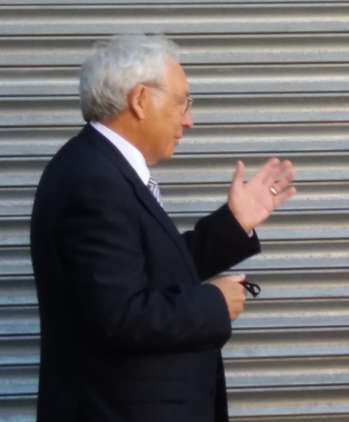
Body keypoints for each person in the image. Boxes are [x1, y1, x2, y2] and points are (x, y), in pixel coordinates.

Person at [30, 34, 296, 422]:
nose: (189, 120)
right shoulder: (94, 181)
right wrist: (214, 303)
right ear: (139, 100)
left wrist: (234, 224)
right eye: (182, 102)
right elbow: (119, 315)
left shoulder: (101, 169)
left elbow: (148, 271)